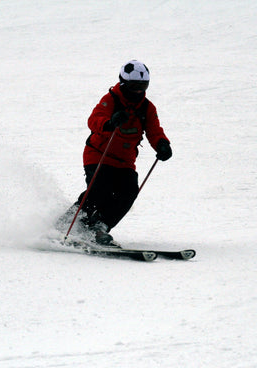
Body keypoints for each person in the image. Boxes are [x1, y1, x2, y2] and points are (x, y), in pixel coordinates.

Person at [57, 60, 172, 246]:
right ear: (124, 83)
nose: (138, 92)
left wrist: (162, 144)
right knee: (99, 188)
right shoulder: (110, 99)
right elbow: (94, 119)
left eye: (143, 86)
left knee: (129, 191)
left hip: (125, 160)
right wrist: (110, 122)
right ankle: (65, 225)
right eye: (134, 86)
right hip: (99, 155)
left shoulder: (147, 108)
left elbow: (154, 130)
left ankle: (100, 226)